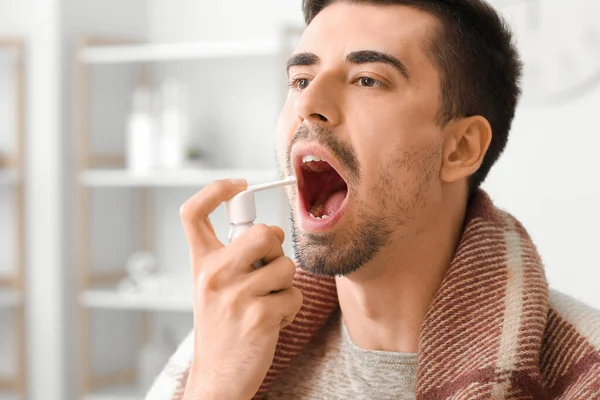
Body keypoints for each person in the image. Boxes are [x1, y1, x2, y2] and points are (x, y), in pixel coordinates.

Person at [146, 1, 600, 399]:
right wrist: (213, 388)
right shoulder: (225, 344)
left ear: (460, 148)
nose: (308, 104)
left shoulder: (585, 373)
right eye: (301, 79)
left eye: (367, 80)